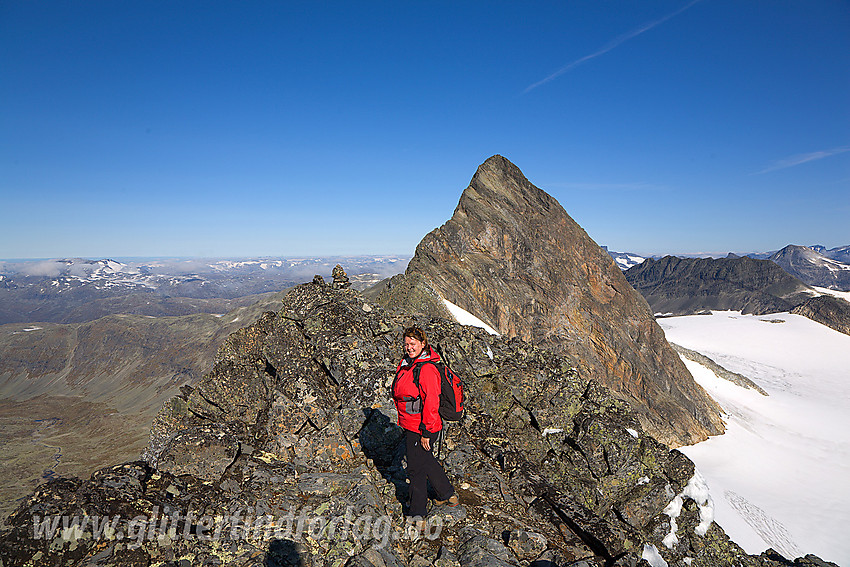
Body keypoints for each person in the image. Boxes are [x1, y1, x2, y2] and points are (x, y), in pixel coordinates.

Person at [392, 326, 459, 519]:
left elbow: (431, 402)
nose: (409, 347)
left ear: (423, 344)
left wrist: (427, 433)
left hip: (421, 426)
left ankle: (417, 514)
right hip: (412, 423)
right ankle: (447, 494)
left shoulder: (427, 368)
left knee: (415, 469)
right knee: (427, 460)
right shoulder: (408, 363)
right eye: (406, 344)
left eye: (413, 344)